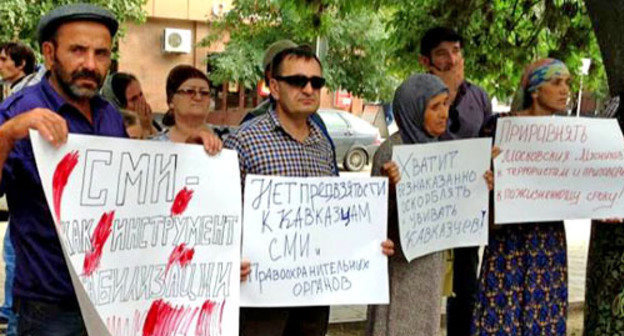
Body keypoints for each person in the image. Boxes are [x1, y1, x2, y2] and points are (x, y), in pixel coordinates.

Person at [0, 4, 221, 335]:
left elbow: (133, 197)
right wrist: (8, 134)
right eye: (78, 50)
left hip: (114, 298)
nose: (90, 64)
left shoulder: (109, 116)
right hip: (51, 306)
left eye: (101, 53)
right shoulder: (18, 111)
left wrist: (188, 158)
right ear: (49, 53)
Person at [224, 45, 394, 336]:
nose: (308, 89)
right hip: (260, 296)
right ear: (275, 87)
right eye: (297, 81)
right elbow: (222, 216)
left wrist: (369, 245)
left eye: (316, 82)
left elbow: (333, 217)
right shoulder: (243, 141)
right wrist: (226, 258)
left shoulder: (323, 145)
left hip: (314, 293)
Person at [471, 58, 571, 336]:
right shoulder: (499, 127)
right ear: (535, 90)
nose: (565, 90)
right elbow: (474, 183)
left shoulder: (570, 135)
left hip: (548, 244)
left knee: (543, 320)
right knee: (501, 319)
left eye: (568, 83)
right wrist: (487, 176)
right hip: (508, 241)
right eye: (556, 82)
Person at [418, 26, 492, 335]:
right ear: (426, 62)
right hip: (429, 208)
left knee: (465, 283)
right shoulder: (417, 94)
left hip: (468, 209)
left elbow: (489, 140)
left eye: (457, 51)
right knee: (426, 281)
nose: (452, 59)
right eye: (442, 54)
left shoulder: (478, 96)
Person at [101, 71, 160, 137]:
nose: (141, 101)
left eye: (140, 94)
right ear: (118, 105)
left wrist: (149, 126)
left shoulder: (149, 121)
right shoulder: (113, 131)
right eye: (133, 99)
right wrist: (145, 129)